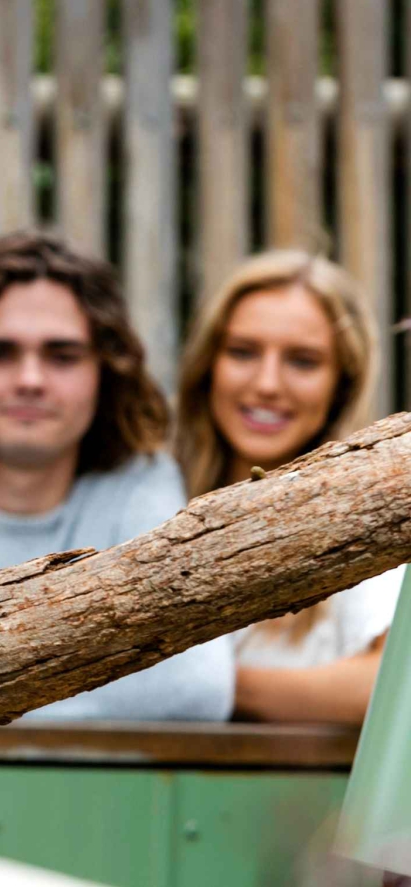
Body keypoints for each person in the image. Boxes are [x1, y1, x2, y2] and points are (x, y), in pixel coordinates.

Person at [0, 231, 234, 721]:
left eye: (62, 356)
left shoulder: (139, 477)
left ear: (105, 371)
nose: (30, 379)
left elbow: (194, 688)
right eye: (0, 353)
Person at [175, 249, 398, 724]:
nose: (267, 383)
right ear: (208, 364)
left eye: (302, 361)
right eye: (243, 352)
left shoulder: (368, 511)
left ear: (342, 382)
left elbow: (391, 684)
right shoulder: (152, 493)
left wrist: (203, 686)